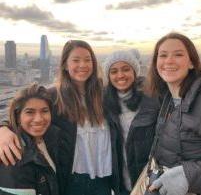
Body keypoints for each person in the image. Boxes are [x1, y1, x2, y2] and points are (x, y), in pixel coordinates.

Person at [0, 40, 113, 195]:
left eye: (88, 60)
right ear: (65, 65)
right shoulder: (54, 95)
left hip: (104, 179)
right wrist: (3, 129)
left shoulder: (104, 94)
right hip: (71, 181)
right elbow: (24, 114)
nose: (83, 65)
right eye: (76, 60)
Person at [144, 32, 201, 195]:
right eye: (163, 55)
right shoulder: (168, 98)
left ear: (191, 63)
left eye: (178, 54)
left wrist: (189, 176)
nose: (168, 61)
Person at [103, 50, 159, 195]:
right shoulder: (104, 102)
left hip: (149, 182)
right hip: (121, 184)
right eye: (114, 71)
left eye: (126, 69)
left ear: (135, 72)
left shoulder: (152, 98)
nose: (120, 75)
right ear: (108, 77)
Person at [0, 83, 60, 195]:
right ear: (18, 116)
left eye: (44, 111)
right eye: (30, 112)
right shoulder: (14, 155)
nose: (38, 119)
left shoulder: (49, 138)